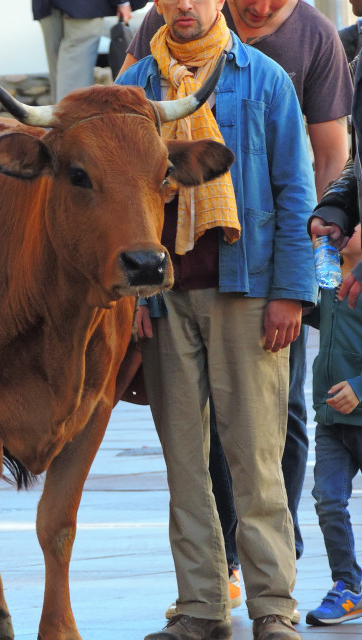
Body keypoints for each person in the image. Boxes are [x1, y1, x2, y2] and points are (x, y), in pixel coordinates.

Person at [119, 0, 352, 613]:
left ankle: (274, 607)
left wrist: (291, 295)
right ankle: (199, 609)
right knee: (185, 469)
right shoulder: (132, 88)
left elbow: (296, 187)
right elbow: (119, 201)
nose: (186, 6)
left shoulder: (264, 77)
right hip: (165, 296)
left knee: (257, 462)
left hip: (248, 293)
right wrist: (131, 300)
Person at [301, 223, 362, 627]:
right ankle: (349, 586)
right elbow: (321, 318)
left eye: (352, 225)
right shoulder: (329, 277)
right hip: (332, 421)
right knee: (327, 500)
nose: (343, 230)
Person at [32, 0, 135, 101]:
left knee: (58, 74)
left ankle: (60, 114)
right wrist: (122, 2)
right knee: (75, 80)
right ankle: (69, 115)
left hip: (47, 6)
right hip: (85, 7)